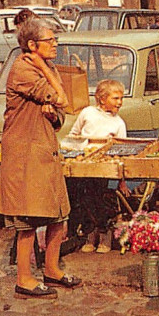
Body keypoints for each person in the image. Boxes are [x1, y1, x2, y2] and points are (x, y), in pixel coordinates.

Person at [0, 17, 82, 298]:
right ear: (32, 45)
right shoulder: (23, 69)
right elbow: (63, 98)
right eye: (50, 40)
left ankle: (52, 269)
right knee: (28, 220)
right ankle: (24, 278)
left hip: (45, 149)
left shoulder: (45, 67)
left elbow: (61, 111)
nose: (55, 44)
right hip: (25, 154)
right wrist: (47, 73)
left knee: (59, 214)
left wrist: (53, 111)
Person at [62, 80, 128, 254]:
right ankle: (89, 234)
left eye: (121, 98)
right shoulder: (88, 113)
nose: (119, 102)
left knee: (102, 200)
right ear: (102, 98)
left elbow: (121, 152)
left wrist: (122, 181)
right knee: (84, 200)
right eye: (115, 98)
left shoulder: (119, 123)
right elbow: (73, 135)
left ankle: (104, 236)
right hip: (82, 166)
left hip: (103, 169)